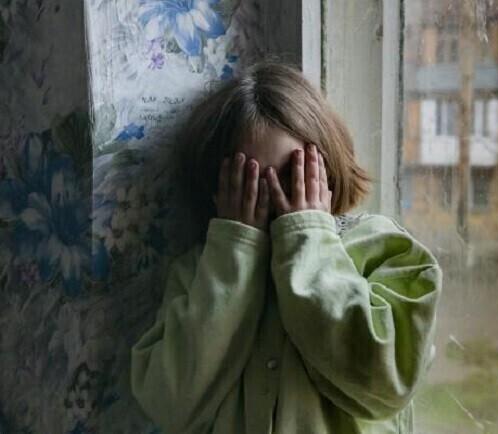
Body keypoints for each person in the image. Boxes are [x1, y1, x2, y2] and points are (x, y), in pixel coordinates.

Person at [130, 61, 442, 434]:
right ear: (218, 188)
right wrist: (234, 251)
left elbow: (386, 383)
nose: (278, 198)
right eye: (251, 184)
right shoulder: (199, 272)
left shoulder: (385, 251)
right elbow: (170, 402)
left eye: (293, 176)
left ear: (327, 166)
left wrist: (307, 234)